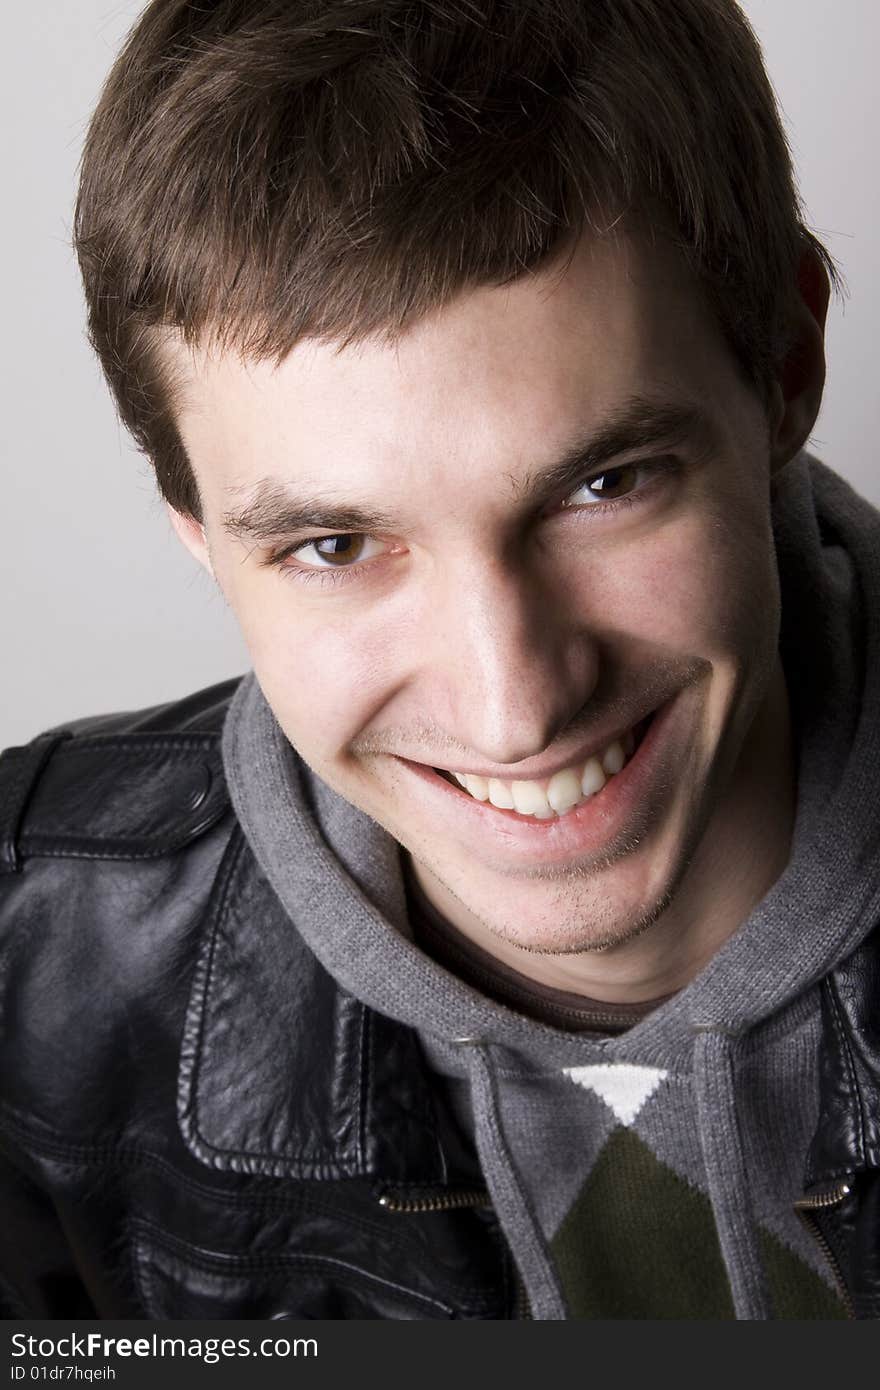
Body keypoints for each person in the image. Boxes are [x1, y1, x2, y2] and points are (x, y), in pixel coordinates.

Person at [1, 0, 878, 1322]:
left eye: (606, 480)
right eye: (336, 542)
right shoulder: (25, 948)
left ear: (787, 363)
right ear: (196, 529)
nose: (514, 701)